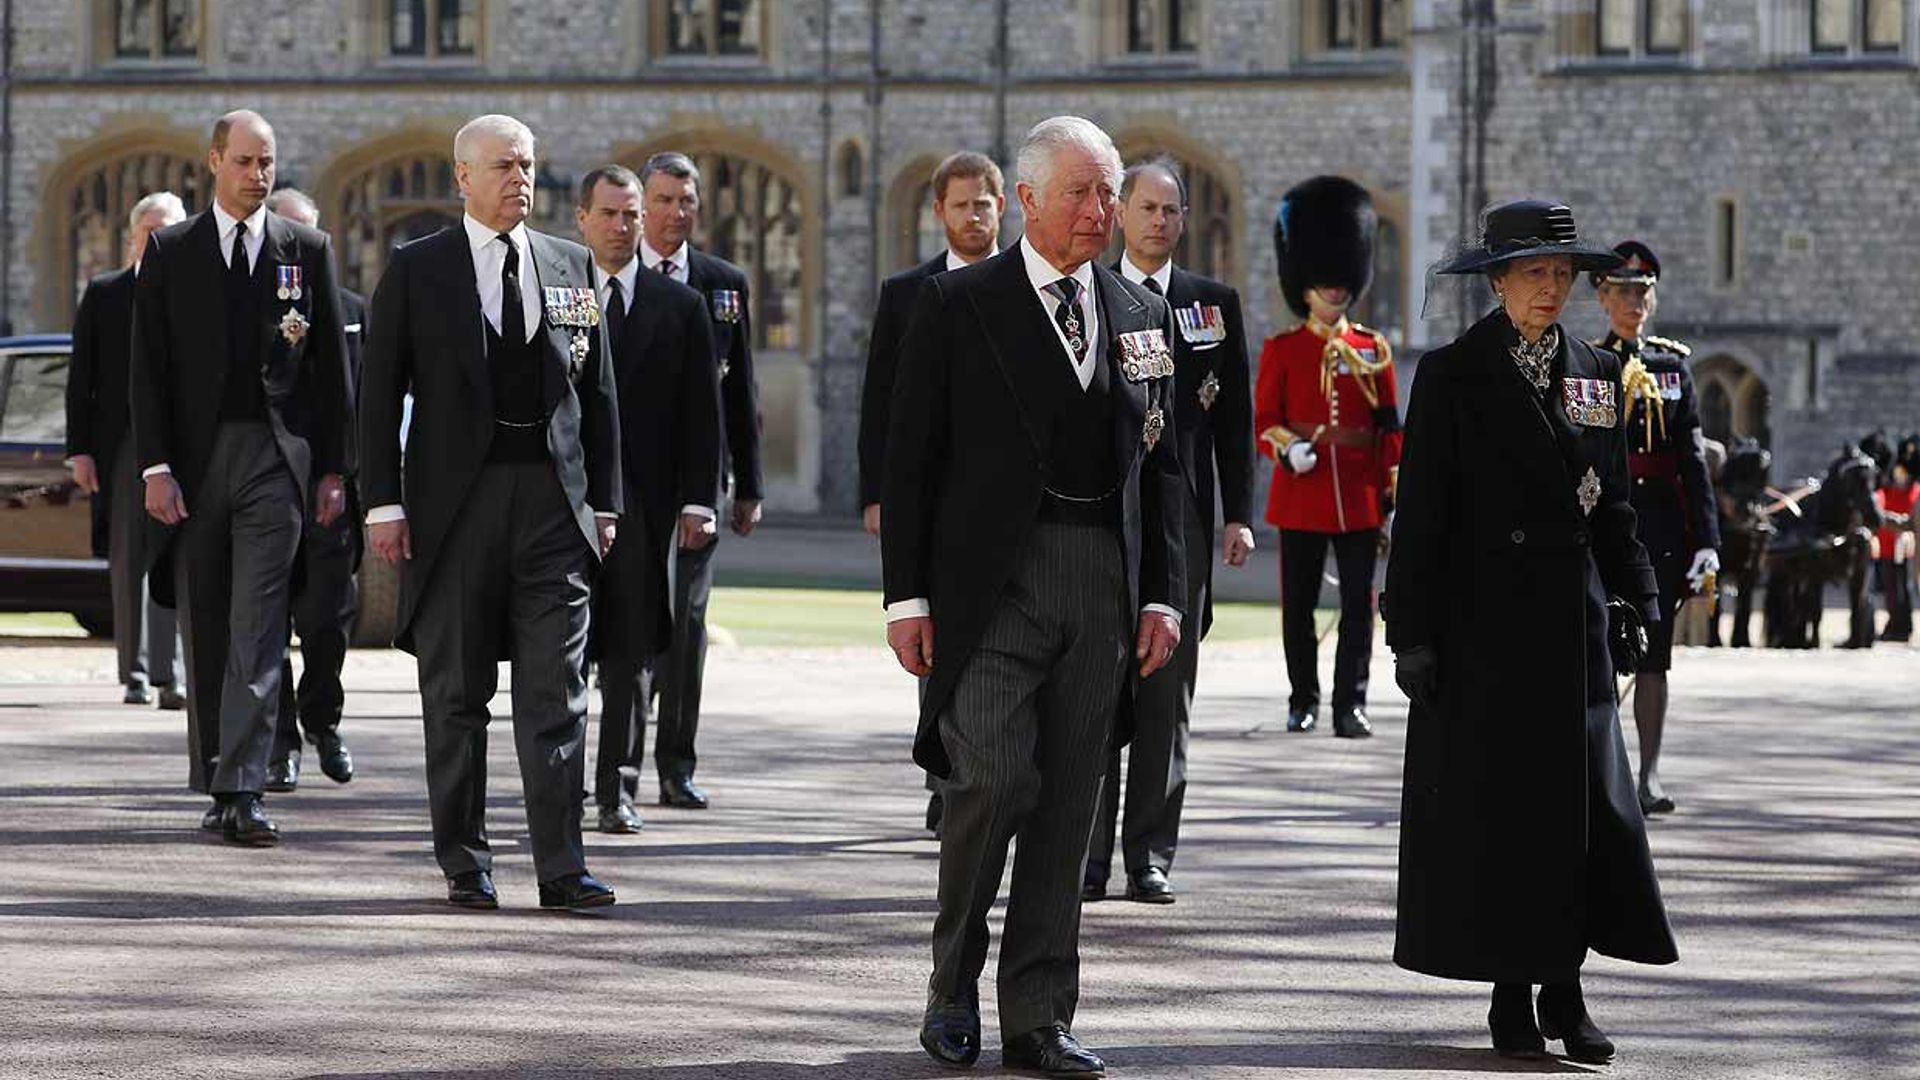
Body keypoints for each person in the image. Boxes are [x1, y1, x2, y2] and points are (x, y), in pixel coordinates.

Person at [885, 115, 1185, 1078]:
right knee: (993, 780)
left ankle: (1040, 1017)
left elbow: (1165, 465)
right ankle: (951, 986)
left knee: (1067, 804)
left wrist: (1165, 596)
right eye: (1083, 194)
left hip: (1103, 578)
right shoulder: (957, 304)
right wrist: (906, 601)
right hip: (992, 586)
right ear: (1026, 201)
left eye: (1110, 194)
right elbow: (912, 458)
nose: (1103, 213)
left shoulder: (1140, 316)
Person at [1386, 199, 1678, 1064]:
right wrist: (1413, 636)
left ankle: (1567, 989)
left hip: (1573, 627)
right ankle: (1512, 994)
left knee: (1581, 819)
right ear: (1499, 282)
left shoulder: (1593, 370)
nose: (1551, 289)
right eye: (1534, 275)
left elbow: (1613, 502)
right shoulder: (1451, 374)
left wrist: (1641, 599)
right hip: (1484, 632)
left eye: (1561, 275)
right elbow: (1423, 517)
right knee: (1502, 821)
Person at [359, 114, 622, 911]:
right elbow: (377, 397)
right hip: (454, 510)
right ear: (462, 177)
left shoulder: (570, 263)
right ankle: (466, 862)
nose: (520, 179)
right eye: (504, 165)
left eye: (529, 165)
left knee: (559, 691)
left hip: (552, 505)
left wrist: (603, 503)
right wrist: (382, 504)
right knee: (457, 693)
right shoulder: (417, 268)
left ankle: (561, 866)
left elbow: (598, 393)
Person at [130, 111, 352, 846]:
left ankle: (246, 785)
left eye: (269, 162)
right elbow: (148, 371)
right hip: (194, 465)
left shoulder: (306, 248)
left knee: (259, 628)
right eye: (247, 161)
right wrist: (156, 468)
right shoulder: (171, 249)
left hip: (275, 460)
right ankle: (215, 776)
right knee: (207, 623)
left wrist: (331, 470)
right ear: (215, 162)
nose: (260, 175)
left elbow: (330, 375)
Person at [1084, 156, 1254, 906]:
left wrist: (1239, 515)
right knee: (1093, 693)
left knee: (1165, 694)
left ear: (1184, 220)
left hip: (1180, 525)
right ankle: (1085, 857)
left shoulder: (1211, 306)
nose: (1158, 221)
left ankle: (1148, 853)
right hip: (1103, 517)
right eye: (1146, 208)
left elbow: (1236, 424)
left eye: (1171, 210)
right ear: (1121, 212)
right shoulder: (1091, 292)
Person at [856, 149, 1006, 837]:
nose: (973, 215)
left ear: (1002, 206)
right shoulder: (906, 294)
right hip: (934, 501)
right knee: (936, 645)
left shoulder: (1025, 287)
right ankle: (944, 775)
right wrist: (877, 493)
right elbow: (881, 401)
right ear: (938, 212)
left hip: (1003, 496)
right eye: (960, 204)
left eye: (984, 202)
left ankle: (986, 774)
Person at [575, 163, 722, 835]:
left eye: (631, 215)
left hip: (644, 503)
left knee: (630, 652)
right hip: (568, 500)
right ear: (582, 219)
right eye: (608, 214)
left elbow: (703, 415)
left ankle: (618, 787)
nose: (622, 226)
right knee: (564, 650)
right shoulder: (559, 292)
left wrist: (699, 500)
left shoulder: (681, 308)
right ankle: (562, 780)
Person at [635, 151, 765, 810]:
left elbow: (739, 390)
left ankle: (674, 765)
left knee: (688, 626)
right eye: (663, 200)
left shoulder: (722, 284)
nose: (675, 213)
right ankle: (619, 768)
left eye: (686, 201)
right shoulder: (611, 274)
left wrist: (748, 487)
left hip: (699, 482)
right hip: (627, 481)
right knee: (630, 623)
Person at [1253, 177, 1400, 738]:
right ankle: (1303, 699)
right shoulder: (1284, 349)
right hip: (1302, 492)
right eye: (1323, 282)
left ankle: (1351, 704)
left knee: (1360, 610)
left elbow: (1389, 427)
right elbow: (1265, 421)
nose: (1334, 291)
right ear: (1304, 286)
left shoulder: (1373, 349)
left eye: (1341, 282)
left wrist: (1390, 489)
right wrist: (1291, 451)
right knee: (1298, 607)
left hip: (1359, 494)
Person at [1592, 241, 1719, 816]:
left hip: (1662, 527)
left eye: (1642, 292)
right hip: (1604, 520)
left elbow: (1692, 461)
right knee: (1595, 647)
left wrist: (1708, 542)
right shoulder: (1589, 364)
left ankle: (1649, 774)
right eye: (1622, 291)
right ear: (1602, 297)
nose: (1633, 302)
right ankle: (1599, 772)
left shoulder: (1672, 367)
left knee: (1654, 653)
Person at [66, 191, 187, 711]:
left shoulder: (198, 292)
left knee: (177, 561)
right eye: (151, 232)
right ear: (134, 237)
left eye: (170, 232)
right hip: (124, 448)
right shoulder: (105, 293)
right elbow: (81, 380)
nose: (159, 241)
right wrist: (81, 451)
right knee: (129, 562)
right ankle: (135, 673)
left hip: (184, 446)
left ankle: (172, 674)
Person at [262, 187, 361, 792]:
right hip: (273, 485)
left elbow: (366, 402)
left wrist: (354, 479)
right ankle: (281, 742)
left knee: (327, 622)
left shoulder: (352, 309)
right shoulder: (253, 312)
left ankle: (323, 720)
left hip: (332, 491)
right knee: (268, 621)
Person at [1873, 459, 1916, 641]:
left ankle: (1903, 626)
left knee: (1903, 590)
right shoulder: (1886, 491)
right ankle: (1897, 627)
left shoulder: (1916, 491)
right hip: (1891, 548)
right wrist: (1880, 516)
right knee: (1893, 591)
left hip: (1909, 550)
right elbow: (1907, 522)